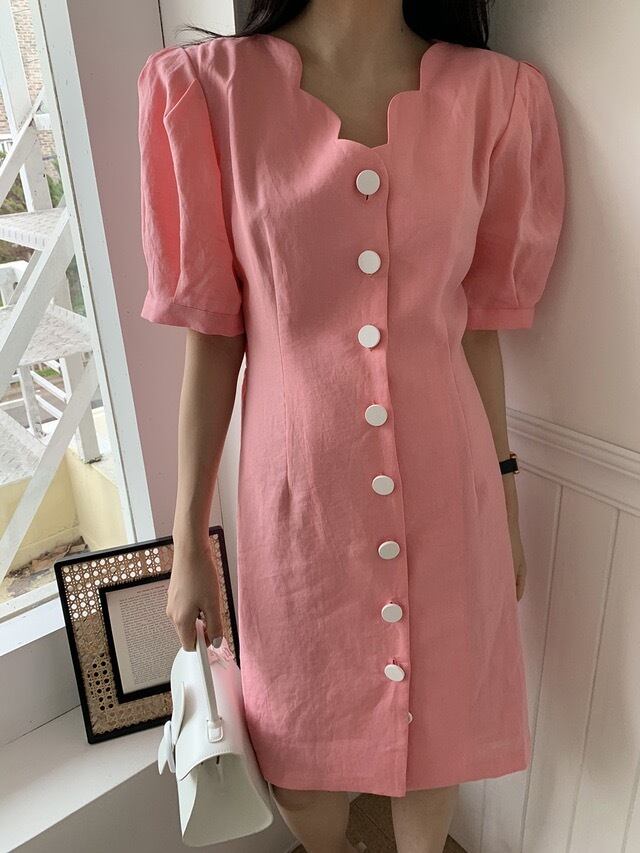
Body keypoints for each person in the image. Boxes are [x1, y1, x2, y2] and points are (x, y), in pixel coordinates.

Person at [136, 1, 565, 850]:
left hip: (450, 491)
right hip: (299, 504)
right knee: (299, 760)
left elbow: (477, 329)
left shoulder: (497, 96)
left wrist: (506, 501)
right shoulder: (209, 91)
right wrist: (188, 542)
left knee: (436, 741)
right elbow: (213, 339)